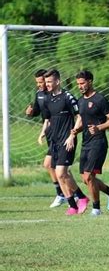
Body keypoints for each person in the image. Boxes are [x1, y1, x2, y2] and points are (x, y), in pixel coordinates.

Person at [65, 70, 109, 216]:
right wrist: (76, 130)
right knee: (85, 179)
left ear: (90, 82)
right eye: (78, 84)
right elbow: (83, 120)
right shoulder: (81, 101)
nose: (80, 86)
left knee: (89, 177)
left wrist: (99, 127)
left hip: (99, 142)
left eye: (82, 83)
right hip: (86, 143)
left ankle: (96, 209)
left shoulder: (100, 99)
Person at [42, 69, 89, 215]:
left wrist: (72, 135)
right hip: (54, 142)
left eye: (50, 81)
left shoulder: (68, 97)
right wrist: (44, 132)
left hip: (67, 140)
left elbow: (80, 117)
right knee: (58, 173)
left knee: (61, 172)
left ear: (57, 81)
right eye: (46, 82)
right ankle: (72, 206)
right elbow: (48, 119)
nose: (47, 84)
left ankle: (82, 198)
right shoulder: (47, 99)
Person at [25, 69, 66, 208]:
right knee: (56, 166)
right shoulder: (39, 94)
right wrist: (30, 112)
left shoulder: (58, 95)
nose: (39, 85)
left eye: (41, 82)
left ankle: (66, 195)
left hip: (60, 134)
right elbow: (38, 111)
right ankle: (69, 195)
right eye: (37, 82)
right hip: (50, 134)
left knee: (52, 165)